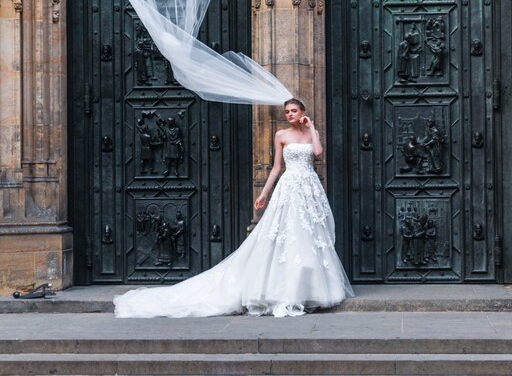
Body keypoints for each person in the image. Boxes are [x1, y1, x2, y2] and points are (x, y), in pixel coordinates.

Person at [114, 98, 354, 318]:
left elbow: (318, 153)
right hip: (290, 187)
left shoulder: (312, 133)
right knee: (285, 234)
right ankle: (282, 290)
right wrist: (263, 193)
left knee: (309, 234)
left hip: (309, 188)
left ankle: (309, 289)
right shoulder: (281, 134)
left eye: (294, 111)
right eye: (287, 112)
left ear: (303, 112)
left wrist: (311, 127)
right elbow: (275, 168)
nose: (290, 114)